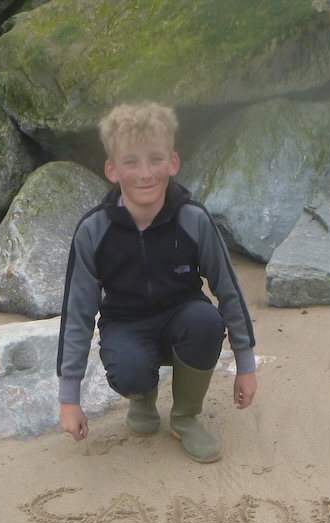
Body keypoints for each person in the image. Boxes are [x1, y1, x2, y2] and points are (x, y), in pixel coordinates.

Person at [56, 102, 257, 463]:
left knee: (206, 321)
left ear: (173, 162)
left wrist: (246, 364)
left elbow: (228, 289)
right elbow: (77, 313)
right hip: (126, 325)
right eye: (131, 162)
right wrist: (69, 399)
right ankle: (142, 397)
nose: (145, 173)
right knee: (130, 370)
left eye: (155, 159)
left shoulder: (194, 219)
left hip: (184, 320)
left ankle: (185, 417)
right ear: (112, 169)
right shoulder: (93, 231)